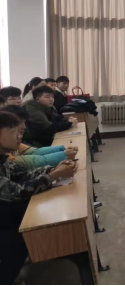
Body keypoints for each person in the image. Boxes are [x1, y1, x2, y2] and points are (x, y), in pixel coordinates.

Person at [0, 111, 78, 285]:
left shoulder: (3, 157)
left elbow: (22, 175)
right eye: (12, 132)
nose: (19, 137)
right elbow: (17, 191)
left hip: (7, 212)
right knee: (15, 247)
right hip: (4, 221)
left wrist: (52, 170)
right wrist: (53, 176)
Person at [1, 105, 79, 170]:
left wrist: (62, 149)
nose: (24, 127)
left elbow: (34, 152)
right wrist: (64, 155)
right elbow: (33, 162)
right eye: (20, 123)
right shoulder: (6, 159)